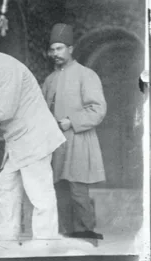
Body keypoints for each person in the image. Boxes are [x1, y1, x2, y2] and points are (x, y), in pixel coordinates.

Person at [0, 34, 66, 250]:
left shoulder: (4, 67)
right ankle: (5, 241)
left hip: (33, 137)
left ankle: (46, 243)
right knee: (7, 187)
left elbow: (3, 110)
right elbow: (0, 103)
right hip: (19, 140)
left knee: (39, 192)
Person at [42, 23, 107, 240]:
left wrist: (72, 121)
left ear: (71, 48)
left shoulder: (86, 75)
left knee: (78, 191)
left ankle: (85, 234)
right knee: (59, 190)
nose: (55, 54)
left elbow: (98, 110)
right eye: (52, 49)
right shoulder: (50, 80)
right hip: (56, 144)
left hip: (78, 140)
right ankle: (66, 235)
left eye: (59, 48)